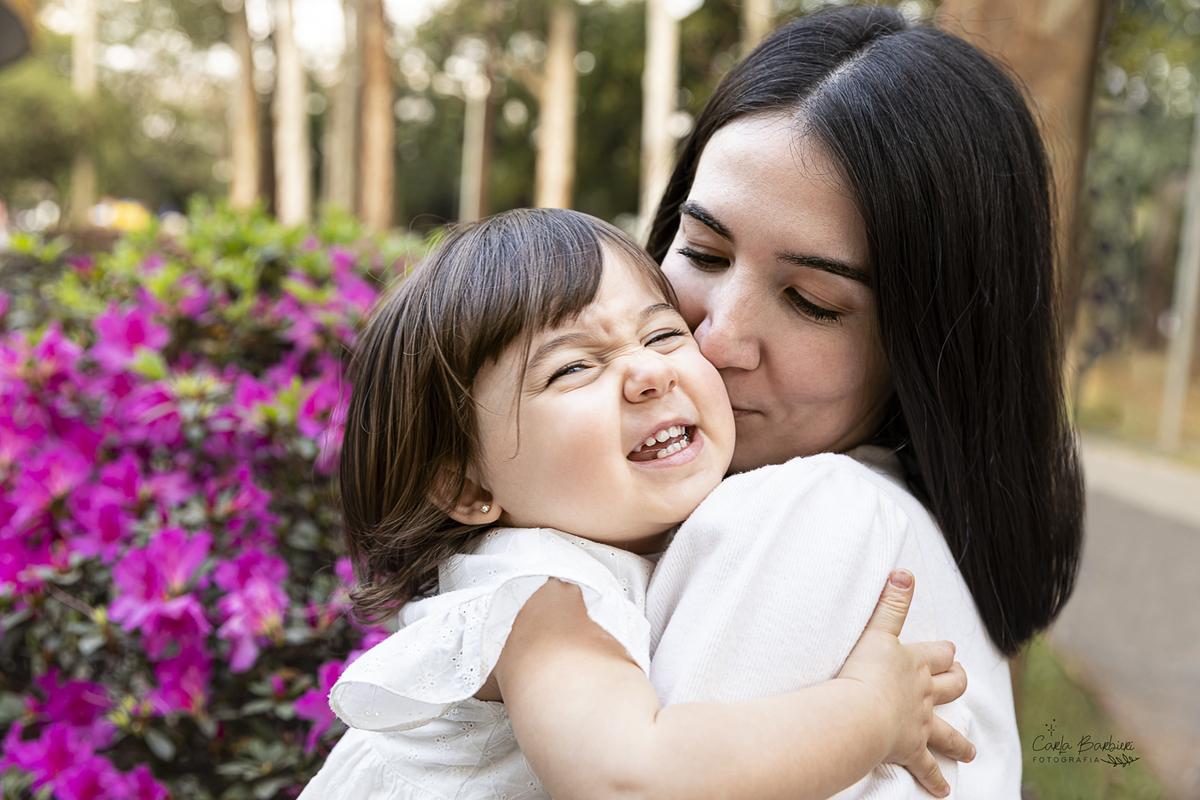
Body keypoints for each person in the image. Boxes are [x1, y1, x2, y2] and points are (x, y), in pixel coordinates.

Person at [300, 208, 975, 800]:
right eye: (573, 367)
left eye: (663, 335)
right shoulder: (540, 593)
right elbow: (633, 781)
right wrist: (870, 712)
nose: (650, 373)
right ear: (468, 489)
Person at [643, 6, 1085, 797]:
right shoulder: (898, 521)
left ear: (929, 346)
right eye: (703, 251)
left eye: (811, 301)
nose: (718, 339)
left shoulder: (820, 517)